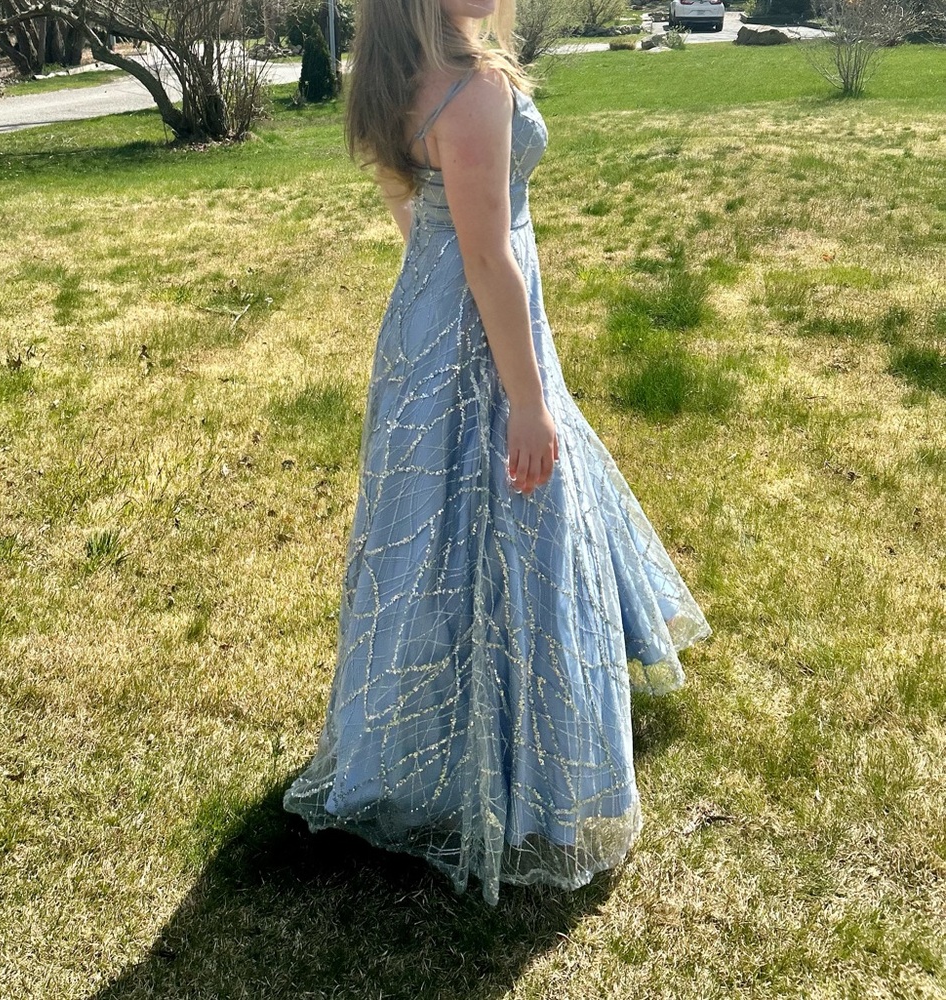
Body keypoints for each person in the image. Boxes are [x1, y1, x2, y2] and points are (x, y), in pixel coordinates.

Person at [281, 0, 712, 906]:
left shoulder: (397, 74)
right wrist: (523, 397)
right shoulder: (471, 89)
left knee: (432, 529)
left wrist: (442, 296)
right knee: (514, 512)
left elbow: (413, 208)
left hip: (425, 323)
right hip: (479, 324)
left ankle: (416, 738)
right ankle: (522, 766)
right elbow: (488, 259)